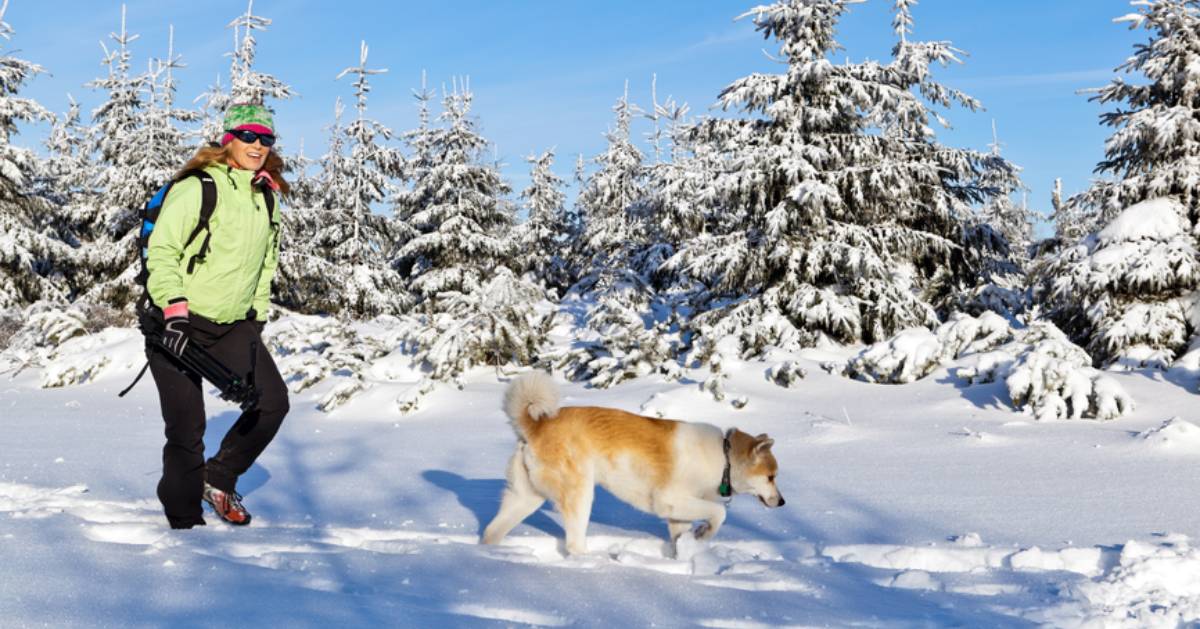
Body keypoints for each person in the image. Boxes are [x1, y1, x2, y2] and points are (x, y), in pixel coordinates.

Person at [144, 103, 289, 529]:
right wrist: (173, 310)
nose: (258, 145)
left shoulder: (267, 195)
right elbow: (164, 251)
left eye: (266, 138)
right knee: (187, 430)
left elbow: (266, 263)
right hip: (178, 323)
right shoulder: (199, 186)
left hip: (233, 324)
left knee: (272, 403)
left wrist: (255, 318)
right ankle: (184, 523)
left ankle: (219, 478)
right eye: (249, 135)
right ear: (228, 139)